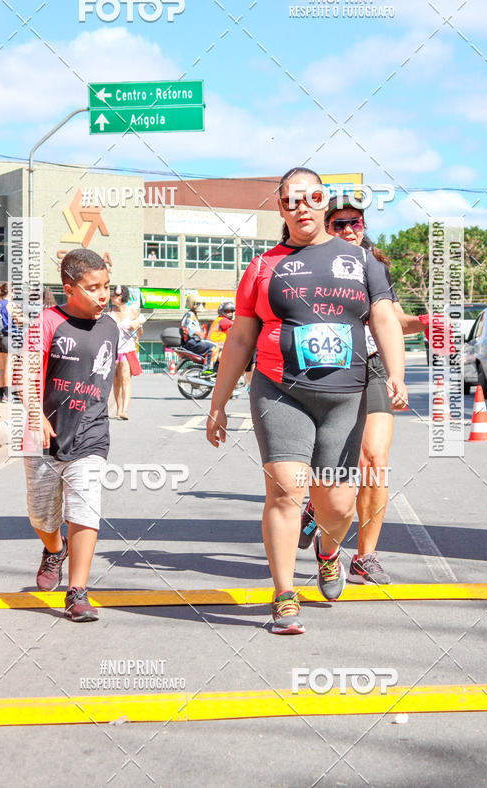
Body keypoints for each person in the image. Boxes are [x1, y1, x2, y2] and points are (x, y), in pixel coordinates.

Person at [206, 167, 407, 635]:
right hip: (279, 391)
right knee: (285, 491)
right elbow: (239, 338)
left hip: (344, 397)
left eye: (312, 197)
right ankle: (283, 595)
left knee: (336, 505)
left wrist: (395, 374)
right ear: (280, 208)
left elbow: (383, 318)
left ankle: (329, 550)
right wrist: (218, 402)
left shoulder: (361, 262)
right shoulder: (262, 267)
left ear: (323, 203)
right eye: (291, 200)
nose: (302, 206)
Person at [299, 192, 427, 584]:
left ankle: (364, 556)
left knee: (375, 459)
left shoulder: (374, 265)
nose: (350, 230)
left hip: (369, 366)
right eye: (340, 224)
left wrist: (422, 323)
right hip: (324, 366)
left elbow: (388, 320)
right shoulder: (305, 260)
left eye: (357, 222)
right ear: (325, 225)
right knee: (332, 463)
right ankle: (319, 506)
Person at [20, 248, 118, 622]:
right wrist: (36, 414)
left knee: (85, 508)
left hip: (91, 437)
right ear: (69, 289)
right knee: (42, 518)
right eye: (93, 288)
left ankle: (77, 592)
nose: (103, 295)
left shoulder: (109, 326)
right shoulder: (47, 322)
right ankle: (54, 548)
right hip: (42, 439)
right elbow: (27, 372)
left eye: (106, 286)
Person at [108, 284, 143, 420]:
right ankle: (118, 409)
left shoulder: (132, 312)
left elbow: (139, 332)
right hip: (113, 350)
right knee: (116, 381)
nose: (112, 297)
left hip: (127, 350)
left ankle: (125, 410)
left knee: (126, 380)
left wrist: (137, 326)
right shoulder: (109, 312)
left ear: (121, 296)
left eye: (115, 295)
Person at [180, 293, 218, 372]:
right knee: (214, 347)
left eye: (202, 304)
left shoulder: (193, 314)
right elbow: (192, 330)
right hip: (193, 342)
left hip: (193, 341)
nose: (201, 306)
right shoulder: (190, 315)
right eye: (198, 304)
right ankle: (207, 370)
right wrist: (201, 334)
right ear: (192, 304)